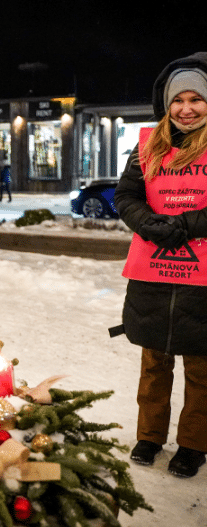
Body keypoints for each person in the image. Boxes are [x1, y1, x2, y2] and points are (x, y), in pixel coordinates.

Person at [113, 52, 207, 478]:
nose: (186, 108)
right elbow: (126, 196)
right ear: (166, 104)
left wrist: (186, 225)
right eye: (178, 100)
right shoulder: (147, 145)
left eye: (196, 99)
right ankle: (149, 436)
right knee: (154, 361)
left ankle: (193, 444)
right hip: (154, 273)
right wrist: (149, 224)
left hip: (201, 277)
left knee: (202, 367)